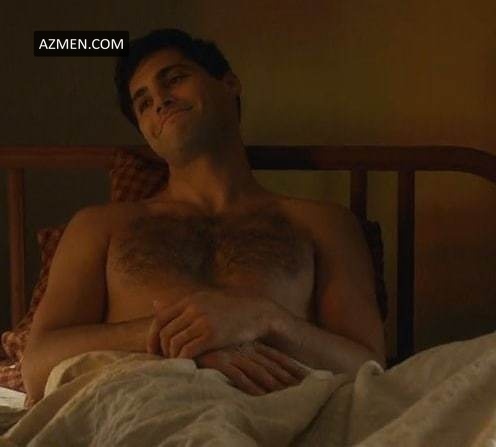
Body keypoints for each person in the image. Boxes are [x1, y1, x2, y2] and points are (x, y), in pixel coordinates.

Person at [22, 28, 386, 405]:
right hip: (141, 404)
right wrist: (182, 338)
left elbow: (369, 366)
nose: (160, 101)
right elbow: (37, 367)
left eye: (174, 79)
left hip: (280, 411)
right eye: (143, 103)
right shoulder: (100, 226)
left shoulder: (322, 223)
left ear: (229, 84)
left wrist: (265, 319)